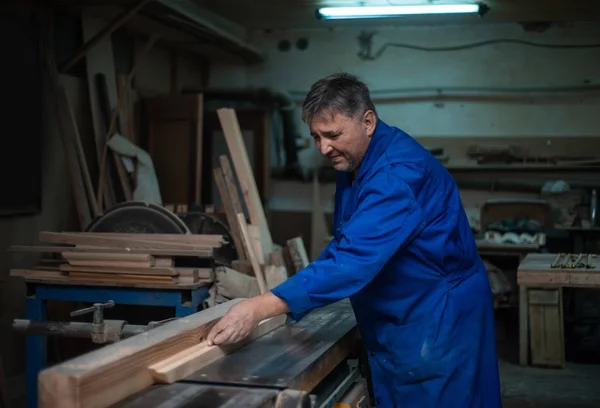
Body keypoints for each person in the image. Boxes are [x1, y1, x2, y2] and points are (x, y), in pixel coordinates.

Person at [206, 72, 502, 407]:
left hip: (435, 313)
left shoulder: (397, 175)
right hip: (401, 305)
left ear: (368, 121)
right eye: (316, 136)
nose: (323, 148)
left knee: (435, 395)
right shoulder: (356, 162)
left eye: (332, 135)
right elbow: (349, 238)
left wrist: (260, 306)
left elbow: (352, 260)